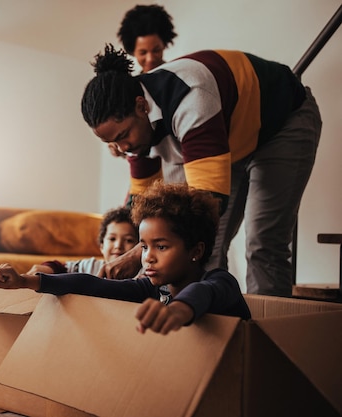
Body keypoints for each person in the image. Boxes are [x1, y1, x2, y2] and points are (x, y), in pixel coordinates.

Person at [83, 44, 322, 297]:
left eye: (123, 136)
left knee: (263, 243)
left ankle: (266, 332)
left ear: (142, 106)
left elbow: (206, 204)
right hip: (228, 138)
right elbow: (144, 210)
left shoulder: (191, 97)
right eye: (112, 143)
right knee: (200, 250)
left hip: (283, 123)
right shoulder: (136, 136)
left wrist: (140, 252)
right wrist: (132, 253)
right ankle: (202, 325)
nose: (123, 149)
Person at [0, 181, 251, 335]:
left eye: (160, 247)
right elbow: (90, 284)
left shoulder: (220, 281)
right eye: (144, 247)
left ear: (196, 251)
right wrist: (26, 281)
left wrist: (179, 311)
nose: (147, 258)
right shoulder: (151, 288)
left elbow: (202, 293)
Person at [109, 5, 184, 193]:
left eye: (156, 50)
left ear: (165, 45)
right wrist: (120, 146)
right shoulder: (129, 89)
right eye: (143, 53)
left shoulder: (178, 82)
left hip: (179, 172)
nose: (150, 58)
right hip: (143, 175)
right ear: (133, 52)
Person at [27, 206, 137, 276]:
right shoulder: (91, 266)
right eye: (112, 239)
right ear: (102, 246)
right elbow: (61, 267)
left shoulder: (142, 274)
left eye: (129, 240)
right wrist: (48, 269)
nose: (118, 245)